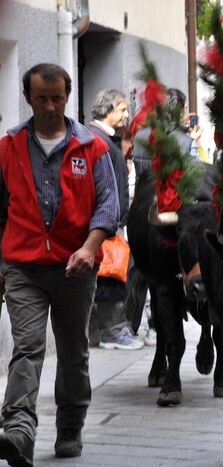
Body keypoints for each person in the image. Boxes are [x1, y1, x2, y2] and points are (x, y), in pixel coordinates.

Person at [0, 63, 120, 467]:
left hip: (76, 267)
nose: (51, 106)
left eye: (57, 98)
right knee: (28, 347)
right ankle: (18, 431)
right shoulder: (9, 146)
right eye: (41, 99)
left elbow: (109, 205)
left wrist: (90, 248)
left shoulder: (93, 147)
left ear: (68, 98)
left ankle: (70, 425)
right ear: (28, 99)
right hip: (24, 267)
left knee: (73, 353)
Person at [87, 90, 144, 351]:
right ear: (107, 110)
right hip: (107, 224)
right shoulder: (97, 140)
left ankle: (101, 332)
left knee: (111, 274)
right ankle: (111, 331)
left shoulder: (106, 138)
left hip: (112, 221)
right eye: (122, 109)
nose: (127, 115)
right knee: (111, 275)